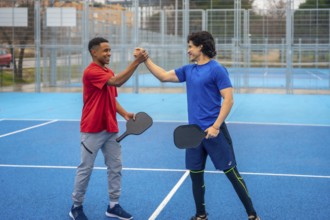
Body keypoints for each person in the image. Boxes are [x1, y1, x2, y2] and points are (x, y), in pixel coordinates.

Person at [140, 31, 260, 220]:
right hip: (193, 135)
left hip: (215, 133)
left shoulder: (217, 69)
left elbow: (228, 100)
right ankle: (200, 215)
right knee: (196, 176)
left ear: (200, 46)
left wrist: (216, 126)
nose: (188, 50)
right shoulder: (189, 70)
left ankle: (252, 214)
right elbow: (163, 76)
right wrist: (145, 60)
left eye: (190, 46)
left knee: (232, 174)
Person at [69, 37, 148, 220]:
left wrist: (125, 114)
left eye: (110, 50)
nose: (109, 53)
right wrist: (137, 61)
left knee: (115, 167)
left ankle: (113, 205)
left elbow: (111, 97)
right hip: (92, 129)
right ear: (93, 52)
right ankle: (76, 206)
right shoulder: (91, 72)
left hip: (110, 128)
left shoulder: (107, 71)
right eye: (105, 50)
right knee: (85, 168)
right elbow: (117, 82)